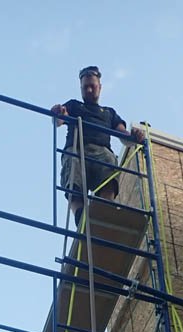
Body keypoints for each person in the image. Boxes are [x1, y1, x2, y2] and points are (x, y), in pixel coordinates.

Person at [51, 66, 145, 228]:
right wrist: (57, 113)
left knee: (110, 162)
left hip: (101, 152)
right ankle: (80, 217)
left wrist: (135, 136)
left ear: (99, 87)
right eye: (85, 87)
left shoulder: (109, 113)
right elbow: (59, 119)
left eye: (92, 86)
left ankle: (104, 212)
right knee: (73, 172)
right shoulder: (74, 106)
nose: (88, 90)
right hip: (77, 149)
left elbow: (124, 136)